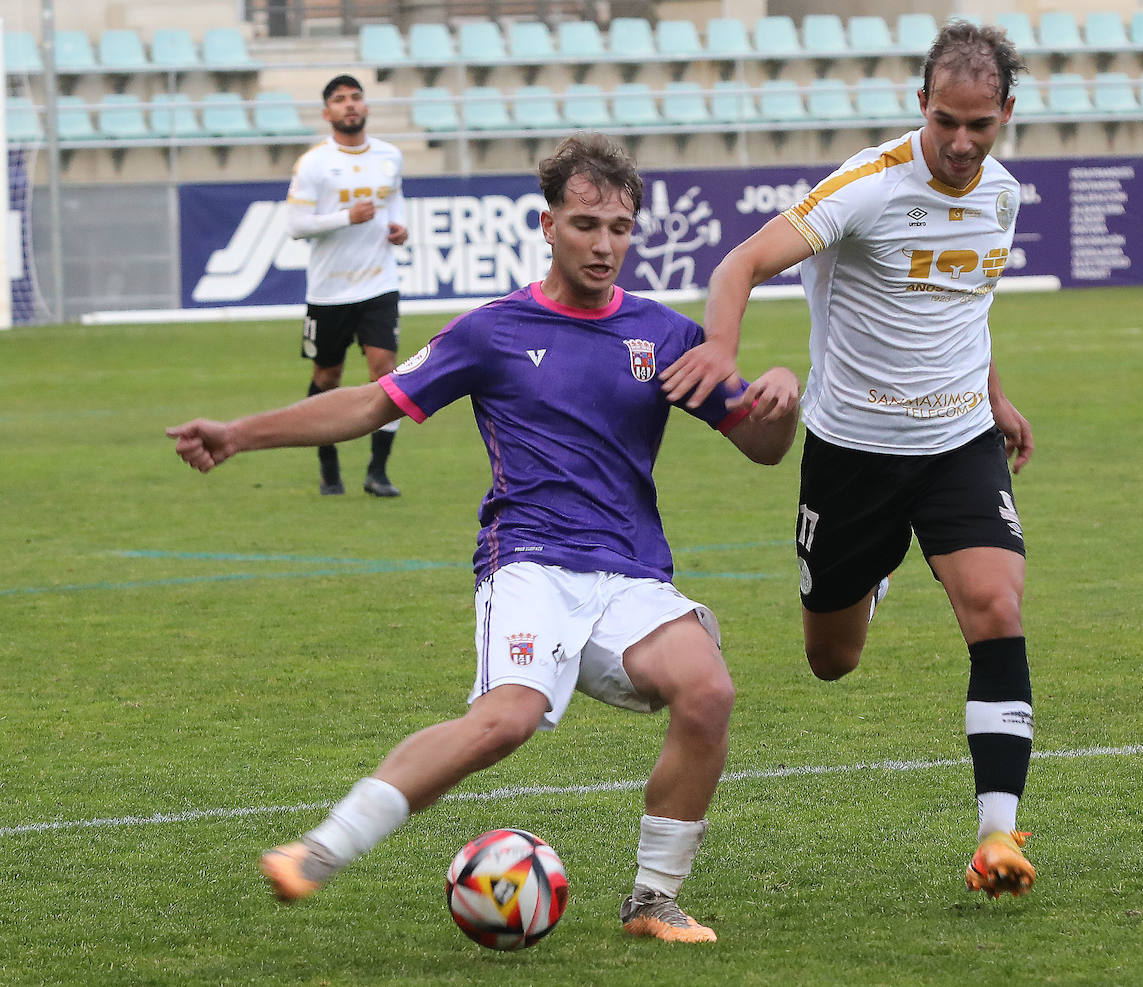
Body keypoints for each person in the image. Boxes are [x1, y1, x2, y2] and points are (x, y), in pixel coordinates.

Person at [168, 133, 801, 943]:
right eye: (584, 225)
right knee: (506, 718)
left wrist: (780, 400)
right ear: (547, 224)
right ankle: (319, 850)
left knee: (708, 690)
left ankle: (652, 901)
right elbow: (369, 404)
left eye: (618, 227)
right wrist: (238, 433)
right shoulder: (492, 331)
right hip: (529, 559)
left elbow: (760, 446)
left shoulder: (665, 337)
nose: (603, 244)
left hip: (632, 572)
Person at [659, 21, 1038, 900]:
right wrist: (721, 350)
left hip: (956, 446)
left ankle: (997, 833)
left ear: (1006, 115)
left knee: (996, 604)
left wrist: (994, 394)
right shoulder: (867, 186)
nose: (961, 141)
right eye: (946, 119)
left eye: (981, 125)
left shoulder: (1004, 196)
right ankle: (869, 578)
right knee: (833, 659)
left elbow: (961, 309)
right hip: (853, 454)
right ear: (921, 105)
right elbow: (739, 264)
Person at [286, 74, 409, 497]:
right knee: (327, 376)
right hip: (329, 291)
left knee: (385, 372)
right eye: (340, 100)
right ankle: (328, 465)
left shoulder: (390, 156)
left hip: (379, 282)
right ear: (327, 113)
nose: (350, 105)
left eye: (356, 97)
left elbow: (394, 199)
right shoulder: (314, 163)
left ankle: (378, 471)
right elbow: (296, 226)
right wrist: (345, 218)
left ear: (366, 107)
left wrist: (400, 228)